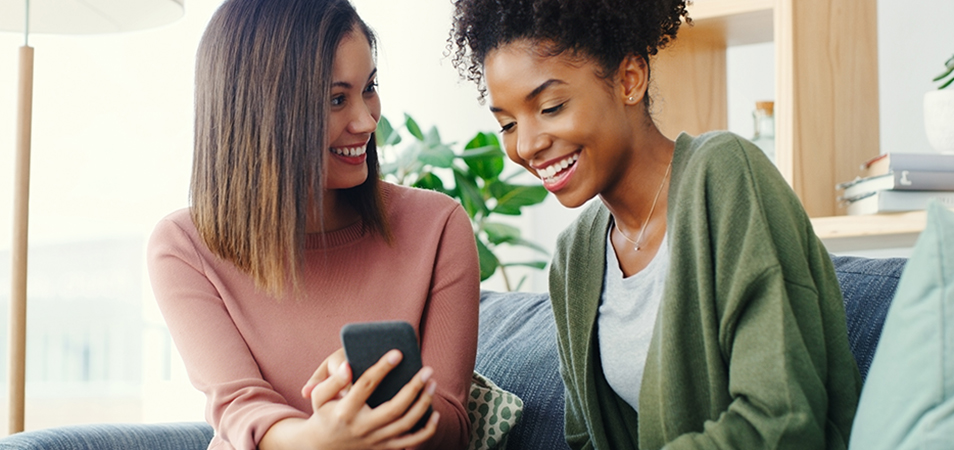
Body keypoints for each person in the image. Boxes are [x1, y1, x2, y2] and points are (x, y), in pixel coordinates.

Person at [449, 0, 862, 448]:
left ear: (630, 80)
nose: (526, 146)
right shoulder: (575, 258)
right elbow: (585, 437)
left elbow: (782, 418)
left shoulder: (724, 177)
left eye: (551, 106)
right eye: (507, 124)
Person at [147, 0, 479, 449]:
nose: (366, 120)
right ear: (261, 111)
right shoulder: (185, 246)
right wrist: (320, 439)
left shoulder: (438, 227)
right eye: (336, 99)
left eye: (370, 88)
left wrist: (383, 396)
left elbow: (453, 423)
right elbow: (241, 407)